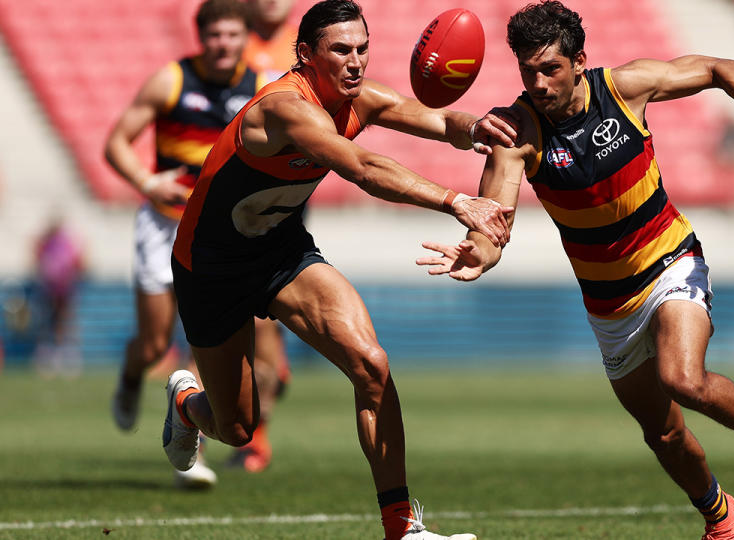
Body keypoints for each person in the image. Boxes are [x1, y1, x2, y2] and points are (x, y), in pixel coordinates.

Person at [417, 2, 734, 539]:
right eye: (527, 71)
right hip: (609, 304)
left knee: (682, 377)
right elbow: (495, 223)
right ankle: (719, 513)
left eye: (550, 69)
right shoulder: (516, 134)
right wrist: (479, 252)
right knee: (663, 435)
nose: (538, 84)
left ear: (579, 61)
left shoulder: (626, 87)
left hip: (670, 259)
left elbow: (718, 67)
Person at [162, 1, 514, 539]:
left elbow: (442, 120)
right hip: (211, 267)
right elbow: (363, 168)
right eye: (341, 50)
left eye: (362, 49)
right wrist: (456, 201)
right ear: (306, 54)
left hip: (280, 251)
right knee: (236, 427)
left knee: (371, 364)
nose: (356, 62)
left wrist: (479, 127)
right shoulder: (284, 108)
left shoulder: (360, 99)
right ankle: (187, 405)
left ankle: (401, 527)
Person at [105, 0, 266, 489]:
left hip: (220, 236)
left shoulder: (262, 89)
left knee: (208, 343)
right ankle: (132, 377)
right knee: (155, 344)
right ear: (201, 37)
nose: (224, 44)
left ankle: (189, 451)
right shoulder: (171, 81)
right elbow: (116, 143)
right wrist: (148, 182)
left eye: (233, 35)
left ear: (245, 37)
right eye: (215, 35)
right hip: (163, 224)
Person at [222, 0, 300, 474]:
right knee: (233, 327)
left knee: (258, 318)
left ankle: (255, 441)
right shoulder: (232, 41)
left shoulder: (308, 43)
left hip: (283, 189)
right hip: (236, 190)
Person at [33, 216, 85, 376]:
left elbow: (78, 262)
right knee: (50, 322)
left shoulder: (64, 244)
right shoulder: (47, 243)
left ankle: (65, 356)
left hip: (64, 288)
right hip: (51, 289)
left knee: (64, 323)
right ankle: (50, 356)